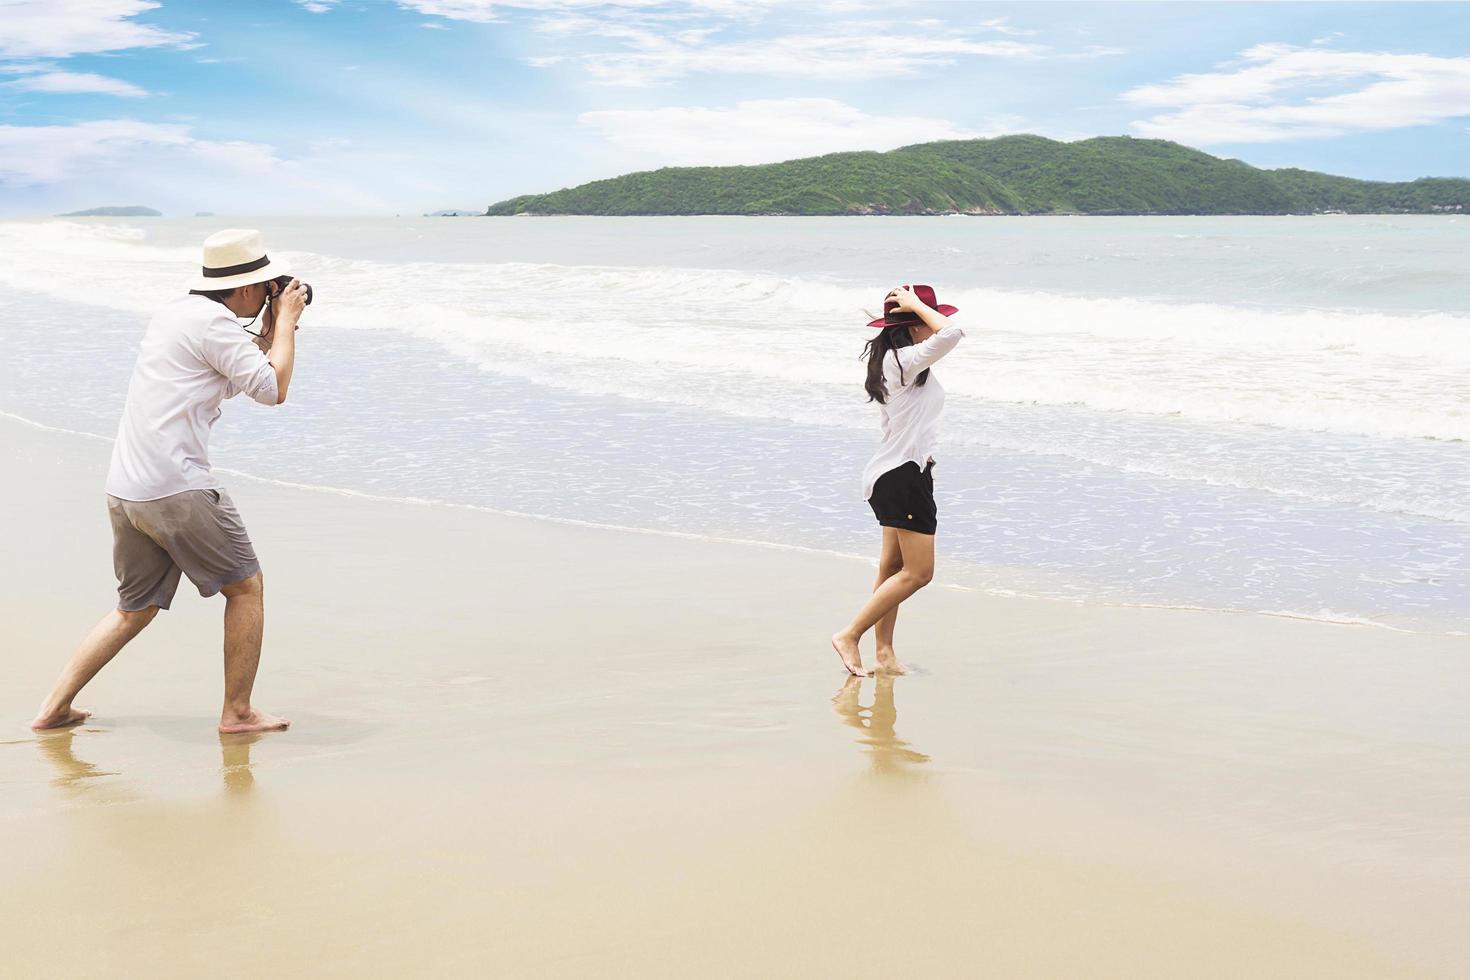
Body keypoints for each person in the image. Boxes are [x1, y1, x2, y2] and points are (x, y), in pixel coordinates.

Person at [30, 229, 308, 734]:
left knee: (132, 608)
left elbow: (241, 373)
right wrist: (286, 322)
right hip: (175, 487)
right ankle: (239, 712)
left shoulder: (178, 316)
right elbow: (273, 390)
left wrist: (272, 329)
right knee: (246, 588)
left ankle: (54, 706)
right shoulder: (217, 326)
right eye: (265, 285)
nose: (269, 290)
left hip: (127, 487)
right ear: (244, 290)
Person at [831, 284, 963, 677]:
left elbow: (894, 426)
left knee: (892, 567)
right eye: (926, 318)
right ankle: (849, 634)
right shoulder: (903, 360)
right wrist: (919, 306)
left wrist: (925, 463)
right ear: (915, 324)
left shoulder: (896, 362)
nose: (935, 323)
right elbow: (953, 334)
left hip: (899, 472)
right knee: (920, 573)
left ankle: (884, 652)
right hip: (901, 477)